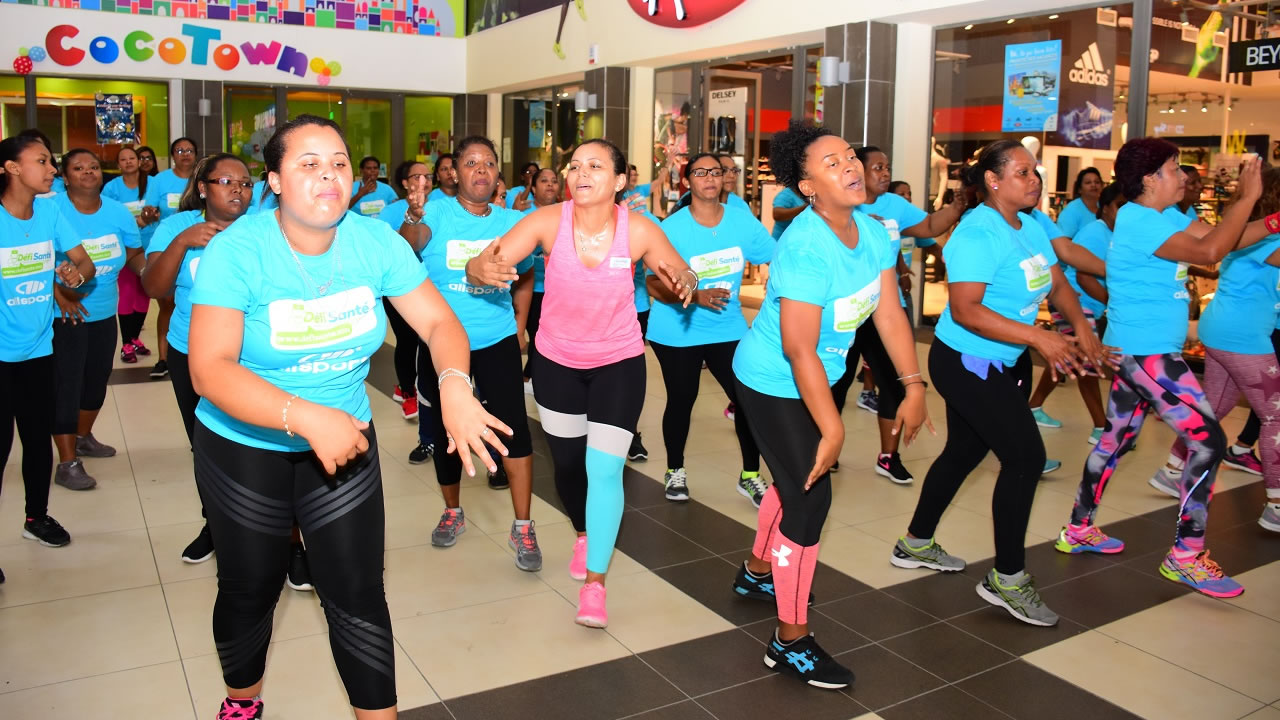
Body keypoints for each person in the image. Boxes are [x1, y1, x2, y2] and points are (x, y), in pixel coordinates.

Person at [187, 114, 506, 720]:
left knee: (357, 592)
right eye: (308, 164)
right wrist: (302, 416)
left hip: (345, 442)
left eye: (337, 162)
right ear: (275, 180)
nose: (328, 175)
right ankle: (241, 700)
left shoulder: (374, 241)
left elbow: (439, 324)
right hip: (244, 444)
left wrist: (458, 389)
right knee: (250, 587)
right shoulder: (240, 250)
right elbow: (210, 369)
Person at [729, 122, 929, 689]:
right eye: (832, 162)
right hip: (772, 381)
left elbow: (888, 312)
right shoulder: (805, 244)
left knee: (794, 484)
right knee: (810, 500)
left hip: (815, 374)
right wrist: (833, 426)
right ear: (806, 185)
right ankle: (788, 642)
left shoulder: (871, 231)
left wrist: (913, 383)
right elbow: (797, 346)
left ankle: (757, 572)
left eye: (850, 157)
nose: (851, 167)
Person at [466, 138, 697, 628]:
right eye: (574, 165)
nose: (580, 172)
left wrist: (687, 281)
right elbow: (484, 261)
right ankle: (583, 531)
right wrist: (480, 268)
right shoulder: (549, 221)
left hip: (619, 362)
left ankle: (595, 585)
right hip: (558, 363)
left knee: (605, 469)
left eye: (595, 165)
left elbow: (678, 269)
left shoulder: (637, 229)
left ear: (618, 181)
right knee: (569, 468)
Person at [894, 140, 1107, 627]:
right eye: (1022, 173)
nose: (1034, 180)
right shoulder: (976, 232)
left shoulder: (1029, 227)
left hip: (1005, 361)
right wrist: (1040, 337)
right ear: (992, 181)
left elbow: (1057, 284)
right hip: (965, 362)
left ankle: (915, 542)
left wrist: (1083, 329)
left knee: (965, 452)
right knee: (1025, 458)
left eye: (1035, 172)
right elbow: (967, 310)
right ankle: (1007, 579)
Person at [1060, 139, 1269, 599]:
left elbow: (1225, 237)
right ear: (1151, 178)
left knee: (1117, 440)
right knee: (1210, 441)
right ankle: (1186, 556)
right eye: (1176, 168)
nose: (1185, 176)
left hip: (1136, 349)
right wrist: (1249, 197)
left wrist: (1270, 219)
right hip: (1146, 354)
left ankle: (1078, 528)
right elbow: (1212, 251)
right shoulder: (1137, 221)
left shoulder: (1164, 218)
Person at [394, 136, 542, 569]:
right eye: (471, 162)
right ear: (455, 172)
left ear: (498, 174)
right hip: (441, 344)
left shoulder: (513, 223)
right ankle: (453, 511)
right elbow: (409, 246)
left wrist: (518, 327)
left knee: (514, 430)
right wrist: (413, 214)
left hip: (495, 339)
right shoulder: (434, 212)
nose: (481, 170)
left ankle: (523, 527)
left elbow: (526, 276)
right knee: (443, 432)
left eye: (489, 163)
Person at [1149, 168, 1280, 532]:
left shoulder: (1245, 232)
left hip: (1222, 330)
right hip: (1243, 338)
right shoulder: (1262, 239)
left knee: (1216, 405)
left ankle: (1172, 471)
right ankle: (1277, 505)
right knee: (1276, 416)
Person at [142, 152, 253, 565]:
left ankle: (288, 539)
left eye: (245, 183)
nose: (238, 190)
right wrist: (181, 244)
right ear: (203, 188)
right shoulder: (178, 227)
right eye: (227, 182)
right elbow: (153, 287)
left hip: (254, 356)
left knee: (267, 449)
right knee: (207, 446)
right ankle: (216, 524)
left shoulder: (264, 229)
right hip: (193, 355)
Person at [830, 145, 965, 485]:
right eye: (877, 167)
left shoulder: (895, 206)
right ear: (856, 171)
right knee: (837, 381)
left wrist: (958, 205)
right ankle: (826, 446)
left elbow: (930, 225)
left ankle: (888, 456)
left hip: (885, 308)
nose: (885, 172)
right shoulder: (842, 204)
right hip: (847, 308)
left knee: (894, 382)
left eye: (886, 166)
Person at [647, 153, 774, 506]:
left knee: (746, 399)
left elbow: (777, 258)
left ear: (724, 179)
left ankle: (750, 475)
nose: (710, 178)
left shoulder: (741, 222)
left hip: (727, 327)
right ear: (687, 182)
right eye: (700, 172)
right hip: (677, 330)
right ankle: (675, 470)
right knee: (682, 399)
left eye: (716, 172)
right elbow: (653, 284)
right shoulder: (672, 228)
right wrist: (694, 295)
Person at [0, 134, 97, 562]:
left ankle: (35, 518)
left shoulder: (51, 210)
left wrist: (70, 280)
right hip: (1, 355)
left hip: (39, 350)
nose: (52, 169)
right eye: (42, 161)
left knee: (37, 440)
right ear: (12, 167)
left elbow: (85, 265)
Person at [50, 149, 145, 491]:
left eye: (93, 167)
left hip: (105, 310)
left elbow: (133, 254)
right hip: (65, 314)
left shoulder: (117, 212)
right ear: (65, 176)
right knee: (67, 384)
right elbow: (35, 257)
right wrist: (56, 292)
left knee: (96, 380)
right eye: (78, 168)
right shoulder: (52, 209)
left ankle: (83, 435)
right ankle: (66, 461)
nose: (88, 172)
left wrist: (150, 272)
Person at [1025, 182, 1124, 446]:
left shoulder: (1119, 233)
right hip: (1075, 301)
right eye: (1119, 206)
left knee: (1068, 357)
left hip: (1085, 303)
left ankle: (1033, 406)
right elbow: (1082, 273)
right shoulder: (1095, 233)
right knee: (1086, 363)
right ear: (1105, 209)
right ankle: (1102, 426)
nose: (1124, 212)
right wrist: (1115, 301)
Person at [376, 160, 434, 421]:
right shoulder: (391, 212)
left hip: (432, 286)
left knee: (431, 341)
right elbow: (389, 249)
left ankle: (425, 389)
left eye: (427, 175)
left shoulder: (443, 207)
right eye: (416, 176)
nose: (423, 180)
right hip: (399, 287)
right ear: (404, 183)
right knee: (408, 340)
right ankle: (409, 392)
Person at [142, 137, 199, 380]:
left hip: (198, 247)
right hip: (166, 247)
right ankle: (163, 357)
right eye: (180, 150)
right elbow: (149, 210)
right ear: (172, 155)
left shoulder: (202, 177)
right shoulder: (160, 181)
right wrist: (149, 213)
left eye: (189, 150)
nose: (185, 154)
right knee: (166, 304)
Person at [103, 146, 157, 363]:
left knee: (145, 292)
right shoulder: (112, 188)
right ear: (118, 165)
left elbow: (158, 210)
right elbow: (107, 215)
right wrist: (137, 222)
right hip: (126, 249)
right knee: (126, 292)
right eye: (123, 159)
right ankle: (126, 343)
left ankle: (135, 338)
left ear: (139, 161)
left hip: (151, 246)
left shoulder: (152, 184)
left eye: (131, 158)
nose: (128, 162)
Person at [521, 168, 563, 388]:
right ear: (533, 188)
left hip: (560, 290)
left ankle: (533, 375)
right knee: (537, 335)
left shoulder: (568, 214)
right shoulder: (523, 216)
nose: (550, 185)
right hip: (531, 289)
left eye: (554, 181)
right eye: (544, 181)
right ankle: (529, 377)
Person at [1054, 167, 1104, 239]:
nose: (1093, 185)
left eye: (1097, 182)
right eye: (1088, 182)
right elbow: (1063, 241)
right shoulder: (1071, 211)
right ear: (1080, 189)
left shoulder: (1105, 207)